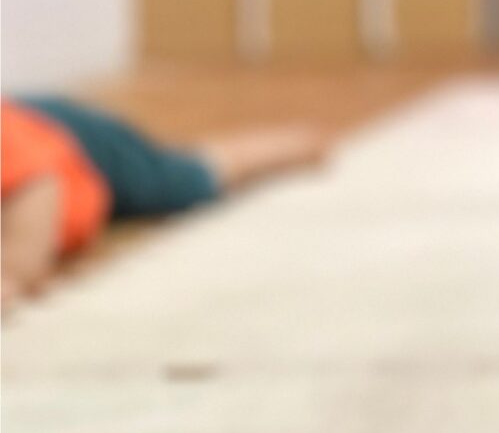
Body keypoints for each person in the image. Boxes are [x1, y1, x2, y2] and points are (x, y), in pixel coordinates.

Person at [0, 96, 325, 308]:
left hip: (81, 146)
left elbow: (38, 181)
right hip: (37, 128)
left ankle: (282, 146)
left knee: (178, 182)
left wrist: (12, 272)